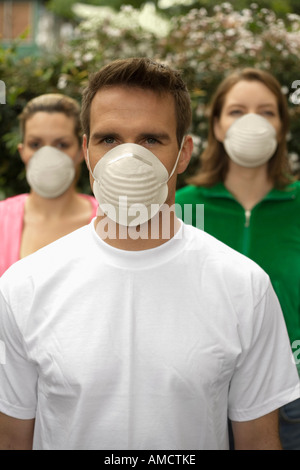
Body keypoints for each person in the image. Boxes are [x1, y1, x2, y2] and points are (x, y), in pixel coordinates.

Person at [0, 58, 299, 451]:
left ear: (184, 152)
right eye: (109, 139)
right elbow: (11, 439)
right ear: (87, 151)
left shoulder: (244, 285)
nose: (128, 158)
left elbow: (260, 441)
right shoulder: (25, 287)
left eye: (150, 140)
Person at [175, 68, 300, 449]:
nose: (252, 122)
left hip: (292, 398)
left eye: (266, 112)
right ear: (215, 125)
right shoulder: (180, 208)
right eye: (237, 111)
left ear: (281, 127)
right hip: (199, 395)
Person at [0, 93, 98, 276]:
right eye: (35, 144)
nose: (47, 155)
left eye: (61, 144)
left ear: (81, 151)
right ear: (22, 152)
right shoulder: (2, 219)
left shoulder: (109, 221)